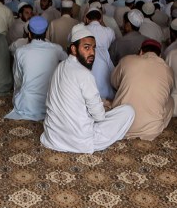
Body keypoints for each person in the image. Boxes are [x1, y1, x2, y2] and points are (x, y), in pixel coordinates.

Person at [41, 23, 135, 154]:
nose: (92, 52)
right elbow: (99, 117)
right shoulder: (84, 74)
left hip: (53, 137)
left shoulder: (60, 66)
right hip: (79, 141)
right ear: (74, 49)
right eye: (86, 48)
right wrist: (104, 107)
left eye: (93, 48)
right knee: (128, 111)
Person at [5, 15, 67, 121]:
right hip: (50, 103)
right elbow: (67, 65)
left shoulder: (21, 51)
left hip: (27, 104)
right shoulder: (57, 49)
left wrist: (17, 94)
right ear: (46, 33)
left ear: (29, 33)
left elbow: (18, 79)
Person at [110, 38, 174, 141]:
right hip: (151, 130)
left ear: (140, 52)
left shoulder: (127, 60)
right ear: (160, 56)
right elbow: (166, 92)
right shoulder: (167, 69)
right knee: (171, 100)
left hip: (120, 124)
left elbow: (114, 82)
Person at [83, 9, 116, 100]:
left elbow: (70, 37)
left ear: (86, 18)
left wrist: (84, 24)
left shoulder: (81, 30)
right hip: (104, 63)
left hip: (85, 63)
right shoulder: (109, 31)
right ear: (101, 19)